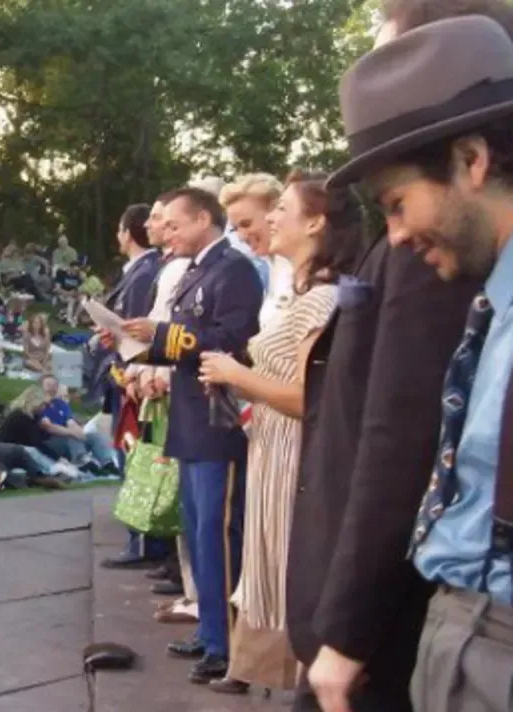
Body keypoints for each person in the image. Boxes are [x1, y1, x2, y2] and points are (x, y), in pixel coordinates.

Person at [296, 16, 513, 712]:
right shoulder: (491, 299)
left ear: (472, 160)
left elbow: (398, 432)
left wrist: (349, 630)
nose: (393, 235)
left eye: (397, 203)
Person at [197, 171, 357, 694]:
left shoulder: (322, 300)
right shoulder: (305, 294)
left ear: (316, 222)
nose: (270, 219)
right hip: (273, 450)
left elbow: (314, 400)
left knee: (292, 577)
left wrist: (235, 375)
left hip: (293, 461)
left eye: (281, 209)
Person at [119, 187, 264, 684]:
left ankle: (226, 645)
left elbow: (231, 341)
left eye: (175, 225)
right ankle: (209, 629)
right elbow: (181, 341)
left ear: (203, 219)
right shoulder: (198, 270)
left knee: (217, 534)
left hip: (217, 422)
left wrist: (157, 337)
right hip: (189, 415)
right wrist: (137, 345)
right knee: (199, 532)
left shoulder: (235, 270)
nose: (167, 234)